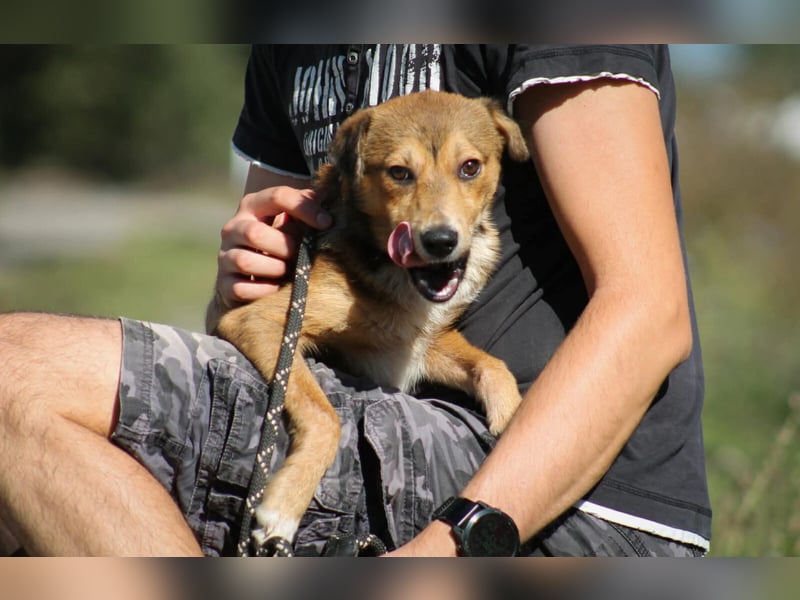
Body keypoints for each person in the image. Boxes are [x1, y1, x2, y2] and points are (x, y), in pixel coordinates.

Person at [0, 44, 711, 556]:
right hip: (368, 411)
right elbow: (248, 324)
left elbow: (648, 311)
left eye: (468, 170)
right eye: (402, 175)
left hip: (561, 498)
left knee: (14, 371)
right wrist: (241, 274)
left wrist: (449, 547)